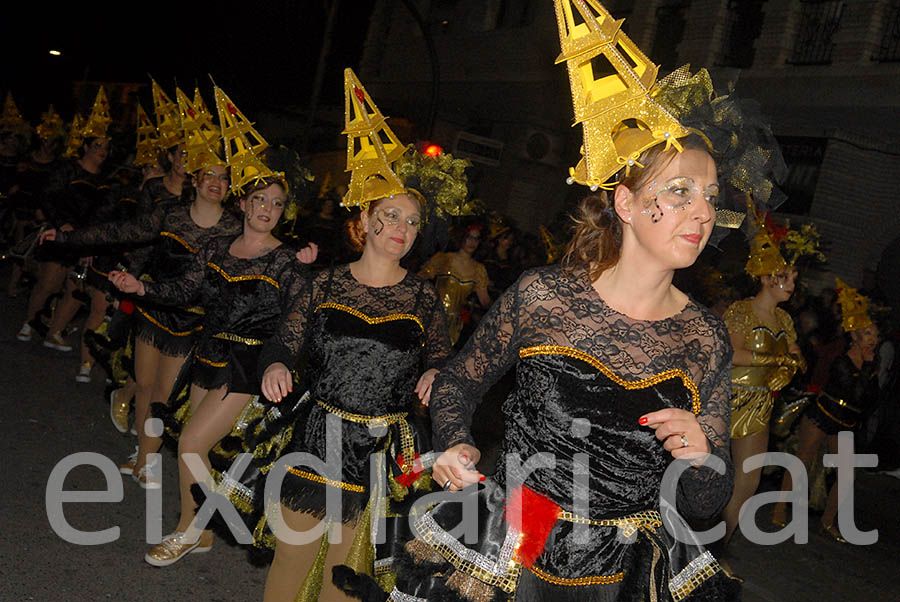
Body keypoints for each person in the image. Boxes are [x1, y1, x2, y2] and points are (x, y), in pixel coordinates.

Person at [390, 4, 793, 598]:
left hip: (626, 565)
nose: (703, 211)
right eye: (678, 192)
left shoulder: (703, 336)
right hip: (519, 534)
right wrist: (454, 441)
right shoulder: (545, 297)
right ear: (626, 204)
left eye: (709, 196)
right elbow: (458, 383)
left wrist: (701, 454)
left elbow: (706, 504)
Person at [243, 69, 452, 601]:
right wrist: (274, 364)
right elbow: (285, 343)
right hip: (319, 435)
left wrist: (434, 371)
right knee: (293, 552)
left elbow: (442, 358)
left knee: (347, 571)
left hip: (383, 450)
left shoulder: (424, 297)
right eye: (390, 216)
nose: (402, 229)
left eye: (411, 222)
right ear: (365, 219)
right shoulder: (325, 284)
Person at [108, 174, 315, 566]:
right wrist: (142, 290)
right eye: (259, 199)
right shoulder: (217, 247)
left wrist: (282, 361)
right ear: (243, 204)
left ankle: (190, 529)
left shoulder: (287, 260)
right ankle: (200, 532)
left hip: (247, 365)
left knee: (190, 444)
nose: (266, 209)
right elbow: (185, 290)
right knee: (193, 445)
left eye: (276, 203)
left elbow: (300, 320)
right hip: (206, 356)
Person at [718, 212, 821, 557]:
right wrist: (776, 360)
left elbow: (796, 356)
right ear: (764, 278)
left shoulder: (784, 319)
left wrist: (793, 362)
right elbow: (732, 355)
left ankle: (716, 552)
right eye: (784, 277)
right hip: (725, 399)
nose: (791, 284)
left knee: (747, 481)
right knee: (701, 477)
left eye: (793, 278)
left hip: (760, 405)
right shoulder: (741, 311)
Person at [771, 279, 880, 542]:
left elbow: (869, 398)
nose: (873, 339)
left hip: (846, 422)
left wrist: (869, 368)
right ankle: (779, 508)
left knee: (847, 474)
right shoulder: (844, 359)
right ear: (854, 336)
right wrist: (865, 368)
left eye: (875, 335)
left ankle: (828, 522)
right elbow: (851, 389)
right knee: (803, 459)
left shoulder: (872, 363)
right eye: (867, 334)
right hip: (823, 414)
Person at [418, 223, 490, 346]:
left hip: (454, 327)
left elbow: (485, 300)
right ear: (461, 237)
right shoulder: (443, 258)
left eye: (476, 238)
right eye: (469, 237)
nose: (472, 242)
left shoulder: (479, 269)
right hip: (431, 318)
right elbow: (418, 279)